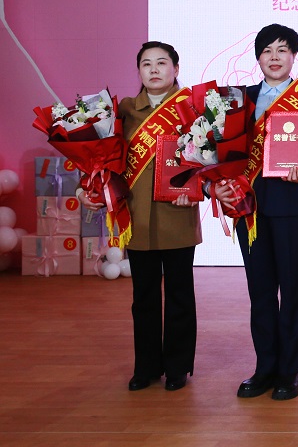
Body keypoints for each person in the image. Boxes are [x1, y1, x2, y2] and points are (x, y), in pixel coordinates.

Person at [220, 24, 298, 401]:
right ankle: (265, 367)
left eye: (282, 50)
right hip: (249, 207)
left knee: (293, 290)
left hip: (293, 206)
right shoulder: (238, 100)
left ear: (293, 56)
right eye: (267, 50)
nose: (274, 57)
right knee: (261, 291)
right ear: (257, 57)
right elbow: (221, 149)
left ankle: (290, 371)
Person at [79, 41, 201, 392]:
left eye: (162, 63)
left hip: (177, 214)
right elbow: (97, 156)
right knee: (143, 296)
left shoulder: (193, 108)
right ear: (139, 71)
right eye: (147, 64)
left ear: (176, 69)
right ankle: (146, 367)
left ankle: (177, 367)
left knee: (179, 295)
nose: (154, 69)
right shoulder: (124, 111)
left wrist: (199, 190)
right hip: (136, 218)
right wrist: (86, 189)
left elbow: (211, 160)